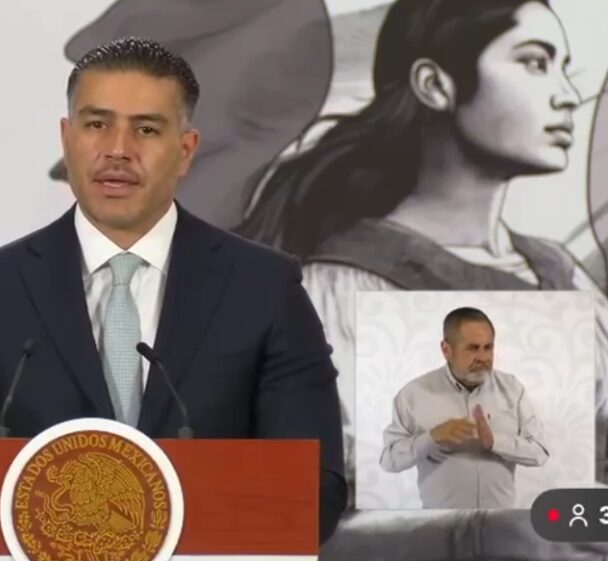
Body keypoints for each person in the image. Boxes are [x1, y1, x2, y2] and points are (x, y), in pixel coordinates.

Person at [0, 37, 347, 542]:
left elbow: (314, 490)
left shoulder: (264, 289)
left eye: (147, 129)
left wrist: (153, 528)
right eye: (97, 125)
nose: (118, 150)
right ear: (67, 138)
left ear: (185, 151)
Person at [237, 0, 607, 490]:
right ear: (435, 85)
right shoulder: (342, 286)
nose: (568, 96)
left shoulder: (562, 274)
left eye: (564, 69)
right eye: (535, 62)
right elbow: (312, 490)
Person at [379, 307, 549, 509]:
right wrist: (432, 438)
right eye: (473, 348)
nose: (483, 357)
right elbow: (389, 460)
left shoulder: (512, 389)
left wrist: (495, 441)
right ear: (446, 350)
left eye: (488, 347)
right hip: (441, 523)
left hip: (499, 521)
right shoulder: (413, 394)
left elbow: (539, 453)